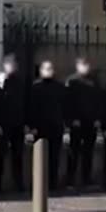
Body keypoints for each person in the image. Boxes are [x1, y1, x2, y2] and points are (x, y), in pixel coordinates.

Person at [64, 57, 103, 191]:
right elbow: (68, 102)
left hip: (90, 121)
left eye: (87, 65)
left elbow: (98, 101)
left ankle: (86, 178)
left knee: (88, 152)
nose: (86, 67)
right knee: (73, 151)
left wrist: (97, 118)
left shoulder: (94, 81)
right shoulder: (72, 81)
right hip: (77, 122)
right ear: (77, 66)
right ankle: (70, 179)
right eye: (83, 65)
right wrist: (71, 119)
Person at [0, 54, 28, 192]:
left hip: (17, 123)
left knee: (17, 154)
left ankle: (18, 183)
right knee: (0, 154)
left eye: (15, 64)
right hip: (2, 124)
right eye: (10, 64)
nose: (13, 66)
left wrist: (25, 123)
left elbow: (25, 103)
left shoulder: (20, 82)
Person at [29, 60, 66, 190]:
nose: (49, 71)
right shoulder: (36, 87)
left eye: (51, 68)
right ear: (41, 70)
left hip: (56, 126)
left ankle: (52, 183)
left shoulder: (60, 87)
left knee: (54, 157)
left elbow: (64, 106)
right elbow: (32, 108)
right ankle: (39, 183)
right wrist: (32, 125)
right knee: (40, 157)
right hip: (40, 127)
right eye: (46, 68)